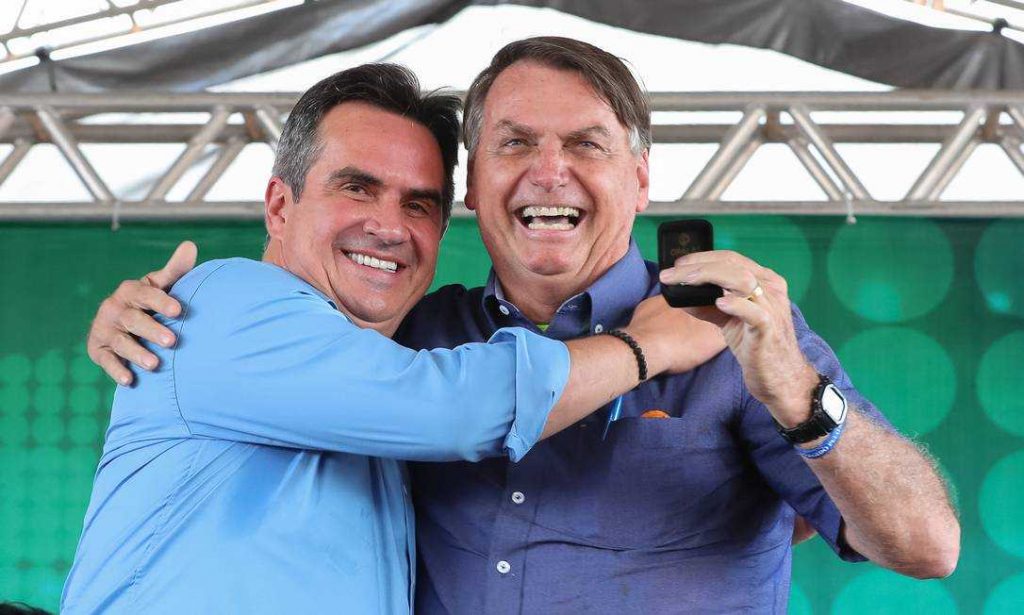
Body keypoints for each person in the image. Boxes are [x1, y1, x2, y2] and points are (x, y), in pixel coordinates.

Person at [86, 38, 960, 613]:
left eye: (586, 144)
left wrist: (801, 398)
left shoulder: (739, 331)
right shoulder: (410, 339)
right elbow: (435, 399)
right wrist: (155, 316)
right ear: (475, 189)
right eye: (513, 143)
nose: (549, 172)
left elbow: (925, 543)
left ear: (640, 179)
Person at [61, 63, 720, 614]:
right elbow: (459, 408)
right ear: (280, 206)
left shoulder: (392, 359)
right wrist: (647, 346)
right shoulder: (224, 303)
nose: (388, 226)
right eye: (357, 188)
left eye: (418, 204)